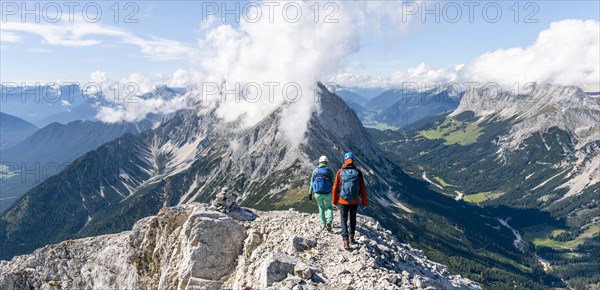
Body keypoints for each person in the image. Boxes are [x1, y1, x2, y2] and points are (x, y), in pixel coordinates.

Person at [332, 152, 368, 250]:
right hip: (355, 201)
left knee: (343, 219)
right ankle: (352, 238)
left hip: (343, 200)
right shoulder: (358, 172)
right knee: (352, 219)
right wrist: (364, 202)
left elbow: (335, 187)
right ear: (353, 161)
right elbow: (362, 188)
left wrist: (334, 200)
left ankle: (345, 241)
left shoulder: (340, 172)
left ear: (345, 160)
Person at [308, 155, 335, 231]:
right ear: (327, 163)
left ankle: (323, 223)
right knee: (329, 207)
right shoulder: (329, 171)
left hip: (317, 194)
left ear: (319, 162)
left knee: (321, 207)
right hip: (327, 193)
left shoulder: (315, 171)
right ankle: (329, 220)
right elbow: (334, 183)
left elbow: (311, 183)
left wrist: (310, 193)